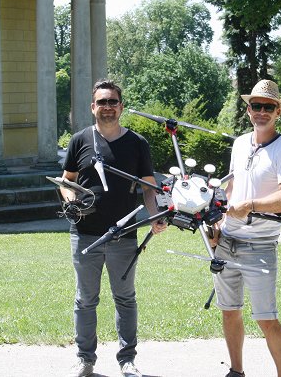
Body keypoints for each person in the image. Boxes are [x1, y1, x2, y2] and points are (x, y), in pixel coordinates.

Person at [60, 79, 167, 377]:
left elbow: (148, 186)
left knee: (125, 297)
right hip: (85, 234)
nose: (107, 107)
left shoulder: (137, 143)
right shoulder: (80, 140)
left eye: (112, 102)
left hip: (124, 235)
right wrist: (70, 199)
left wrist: (155, 215)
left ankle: (127, 360)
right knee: (85, 298)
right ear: (93, 107)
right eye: (102, 102)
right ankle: (85, 360)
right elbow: (66, 179)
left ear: (120, 106)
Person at [213, 79, 281, 377]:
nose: (261, 112)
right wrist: (219, 221)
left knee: (266, 319)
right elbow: (233, 187)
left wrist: (250, 205)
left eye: (268, 107)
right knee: (229, 311)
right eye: (256, 106)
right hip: (227, 242)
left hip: (260, 247)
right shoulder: (239, 144)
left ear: (278, 112)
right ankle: (236, 371)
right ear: (248, 109)